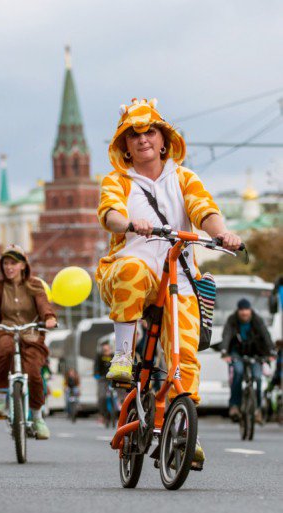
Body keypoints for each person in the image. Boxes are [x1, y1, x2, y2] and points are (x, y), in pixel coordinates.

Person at [96, 98, 242, 468]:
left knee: (185, 352)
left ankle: (179, 427)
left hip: (178, 276)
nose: (143, 139)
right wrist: (128, 223)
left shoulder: (184, 177)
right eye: (134, 135)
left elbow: (203, 210)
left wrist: (222, 234)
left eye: (150, 132)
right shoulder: (118, 181)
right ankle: (124, 355)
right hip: (134, 269)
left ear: (164, 140)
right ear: (125, 146)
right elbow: (110, 214)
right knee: (131, 270)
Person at [0, 245, 58, 439]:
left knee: (33, 373)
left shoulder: (35, 284)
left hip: (31, 333)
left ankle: (37, 417)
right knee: (6, 350)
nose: (9, 267)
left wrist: (49, 318)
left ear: (22, 265)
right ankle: (2, 397)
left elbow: (44, 304)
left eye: (13, 263)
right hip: (5, 330)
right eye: (5, 263)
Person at [221, 298, 274, 423]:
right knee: (238, 372)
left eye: (246, 310)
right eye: (242, 310)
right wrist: (224, 351)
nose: (244, 312)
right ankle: (234, 406)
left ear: (250, 310)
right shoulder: (232, 320)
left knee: (258, 377)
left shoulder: (257, 320)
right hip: (236, 352)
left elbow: (265, 335)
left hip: (255, 353)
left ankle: (258, 410)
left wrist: (271, 351)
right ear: (238, 311)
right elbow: (226, 335)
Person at [93, 342, 114, 423]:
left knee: (114, 394)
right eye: (104, 350)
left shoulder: (113, 356)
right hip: (102, 378)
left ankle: (114, 410)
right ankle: (102, 414)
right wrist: (96, 374)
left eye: (107, 349)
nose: (106, 351)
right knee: (102, 396)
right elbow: (96, 366)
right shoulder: (99, 356)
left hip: (111, 378)